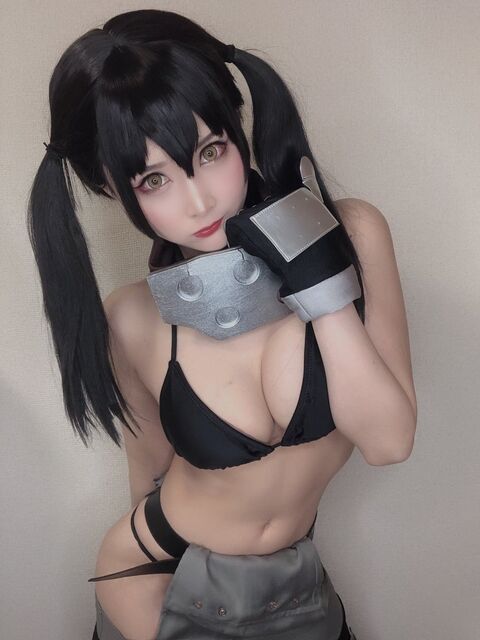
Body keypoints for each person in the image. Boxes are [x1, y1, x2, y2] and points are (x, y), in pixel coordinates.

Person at [27, 9, 417, 640]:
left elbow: (389, 442)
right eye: (154, 179)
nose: (199, 200)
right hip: (153, 579)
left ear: (239, 128)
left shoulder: (355, 233)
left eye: (211, 152)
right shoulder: (133, 316)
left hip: (295, 592)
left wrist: (318, 283)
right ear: (112, 189)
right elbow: (147, 475)